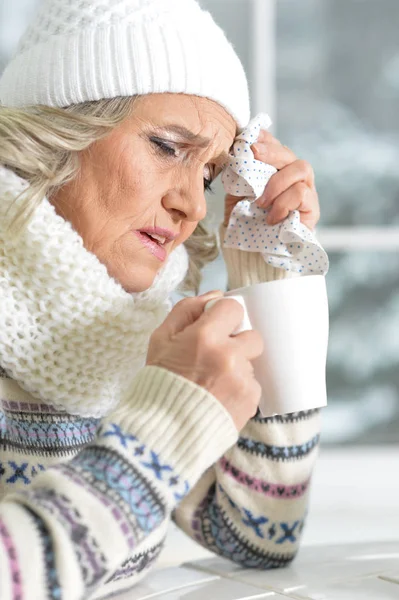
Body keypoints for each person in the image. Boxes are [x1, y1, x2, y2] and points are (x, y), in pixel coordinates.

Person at [0, 0, 321, 598]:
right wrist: (166, 425)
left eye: (207, 174)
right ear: (62, 127)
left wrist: (268, 275)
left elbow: (256, 534)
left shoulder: (126, 330)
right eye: (168, 147)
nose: (194, 206)